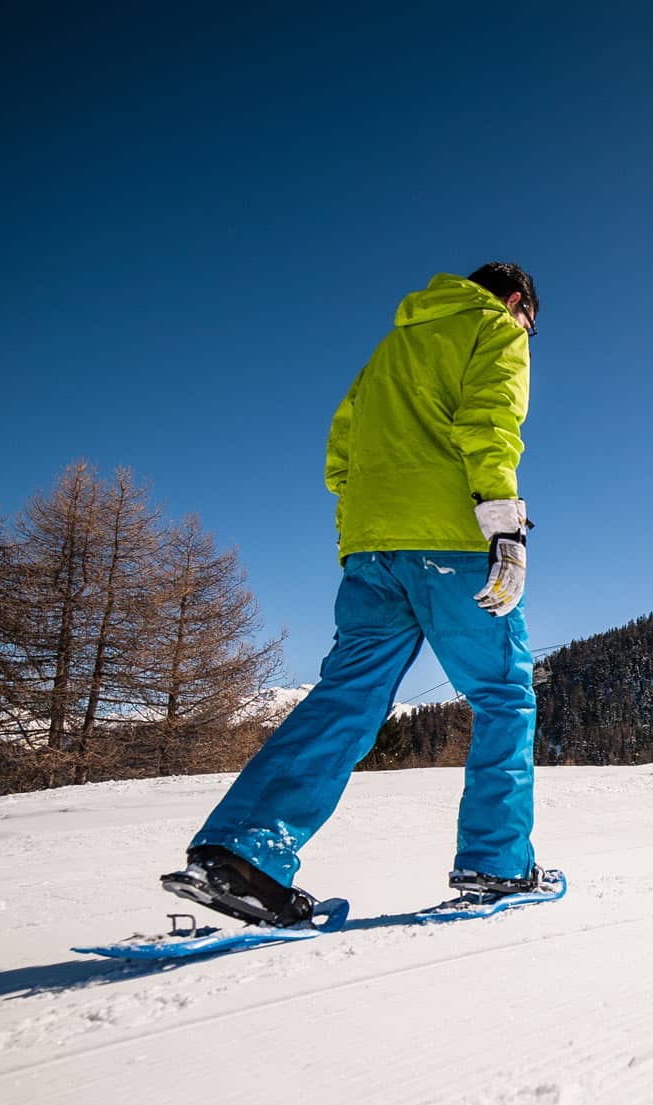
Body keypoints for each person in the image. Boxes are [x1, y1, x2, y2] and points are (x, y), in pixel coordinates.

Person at [162, 263, 551, 927]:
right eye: (531, 324)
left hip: (371, 551)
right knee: (504, 695)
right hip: (452, 542)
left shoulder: (390, 350)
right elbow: (489, 425)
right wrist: (505, 529)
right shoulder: (495, 329)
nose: (527, 335)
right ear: (516, 302)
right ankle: (497, 862)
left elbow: (338, 456)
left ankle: (243, 854)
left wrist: (364, 534)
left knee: (346, 697)